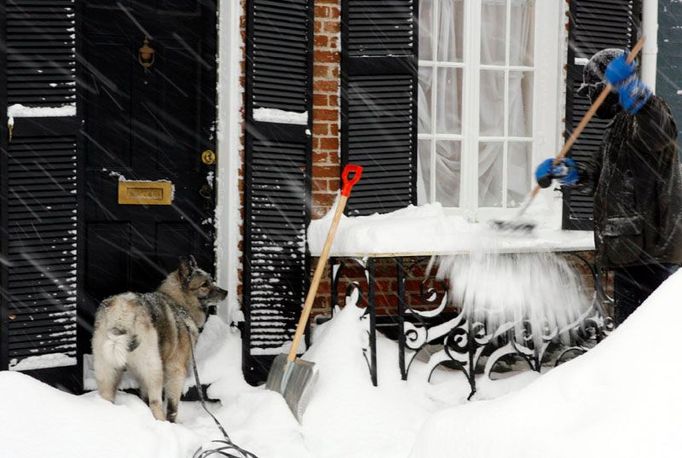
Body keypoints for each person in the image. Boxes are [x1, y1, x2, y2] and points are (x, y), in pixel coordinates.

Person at [535, 48, 682, 325]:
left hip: (652, 252)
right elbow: (595, 177)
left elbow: (658, 130)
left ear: (606, 88)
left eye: (591, 92)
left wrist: (636, 93)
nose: (590, 102)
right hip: (631, 251)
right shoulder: (615, 128)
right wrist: (569, 173)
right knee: (631, 333)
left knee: (645, 335)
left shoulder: (649, 111)